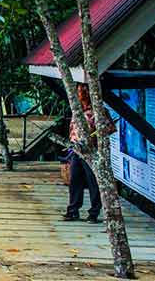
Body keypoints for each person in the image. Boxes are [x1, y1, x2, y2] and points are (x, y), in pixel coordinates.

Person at [63, 84, 103, 224]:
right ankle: (73, 210)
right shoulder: (77, 111)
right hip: (76, 151)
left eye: (83, 92)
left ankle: (94, 213)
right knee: (74, 180)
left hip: (90, 151)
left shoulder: (97, 111)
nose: (81, 94)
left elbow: (108, 128)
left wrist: (93, 137)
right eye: (79, 92)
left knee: (93, 181)